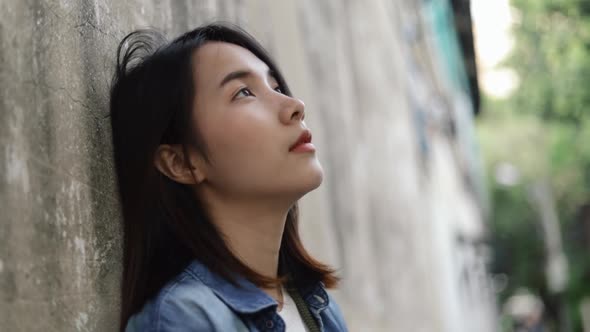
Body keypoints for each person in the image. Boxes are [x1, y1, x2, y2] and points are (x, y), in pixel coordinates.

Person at [109, 23, 348, 332]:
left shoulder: (320, 310)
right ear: (181, 162)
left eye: (276, 87)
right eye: (244, 92)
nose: (294, 106)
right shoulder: (183, 318)